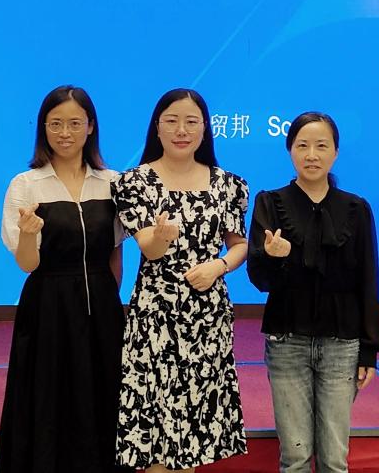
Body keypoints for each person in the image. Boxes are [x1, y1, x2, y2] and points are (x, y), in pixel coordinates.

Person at [113, 88, 249, 472]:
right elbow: (149, 249)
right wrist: (162, 236)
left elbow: (239, 245)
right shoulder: (134, 182)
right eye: (171, 121)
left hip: (207, 318)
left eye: (191, 121)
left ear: (205, 129)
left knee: (193, 430)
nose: (181, 130)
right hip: (156, 316)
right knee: (156, 427)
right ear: (157, 127)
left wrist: (219, 266)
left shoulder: (228, 184)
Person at [246, 112, 379, 473]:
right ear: (290, 149)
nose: (311, 155)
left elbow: (368, 279)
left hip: (342, 344)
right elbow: (259, 279)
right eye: (302, 145)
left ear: (335, 152)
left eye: (321, 146)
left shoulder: (356, 208)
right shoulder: (270, 203)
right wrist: (274, 257)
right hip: (286, 340)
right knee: (294, 457)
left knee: (334, 459)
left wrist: (369, 349)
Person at [0, 85, 125, 473]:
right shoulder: (26, 185)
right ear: (43, 128)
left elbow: (115, 252)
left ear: (90, 127)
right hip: (47, 307)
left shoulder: (113, 182)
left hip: (102, 304)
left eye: (74, 123)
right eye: (55, 124)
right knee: (47, 397)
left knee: (102, 393)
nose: (64, 133)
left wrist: (108, 303)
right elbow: (27, 263)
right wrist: (29, 234)